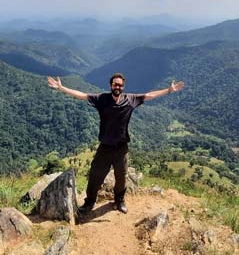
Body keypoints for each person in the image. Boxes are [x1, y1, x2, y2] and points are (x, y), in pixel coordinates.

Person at [47, 72, 184, 214]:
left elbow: (149, 95)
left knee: (121, 177)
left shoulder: (130, 99)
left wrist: (168, 90)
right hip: (105, 147)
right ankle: (89, 203)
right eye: (115, 84)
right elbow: (82, 95)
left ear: (123, 86)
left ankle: (119, 201)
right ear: (111, 85)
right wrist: (62, 88)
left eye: (120, 85)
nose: (117, 87)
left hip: (121, 148)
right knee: (95, 175)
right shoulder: (102, 99)